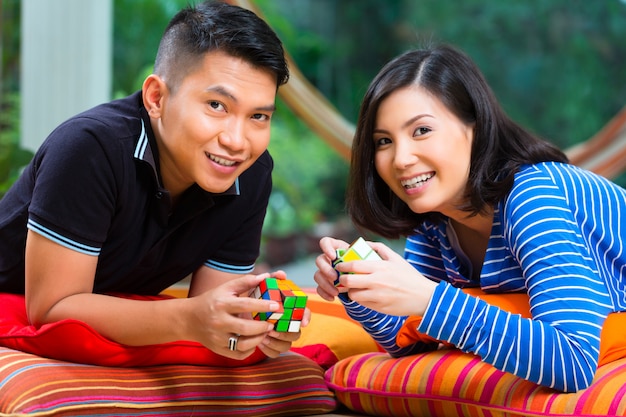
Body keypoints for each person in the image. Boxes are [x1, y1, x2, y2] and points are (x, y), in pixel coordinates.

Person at [0, 0, 305, 361]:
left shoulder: (250, 173)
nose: (237, 141)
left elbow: (211, 307)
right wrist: (189, 319)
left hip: (116, 303)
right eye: (217, 106)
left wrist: (257, 323)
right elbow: (52, 309)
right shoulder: (89, 148)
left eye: (258, 116)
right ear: (156, 97)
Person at [314, 44, 626, 392]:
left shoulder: (534, 196)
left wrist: (430, 298)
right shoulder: (435, 221)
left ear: (474, 126)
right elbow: (415, 340)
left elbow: (572, 362)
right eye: (384, 141)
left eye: (421, 131)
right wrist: (356, 287)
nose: (401, 159)